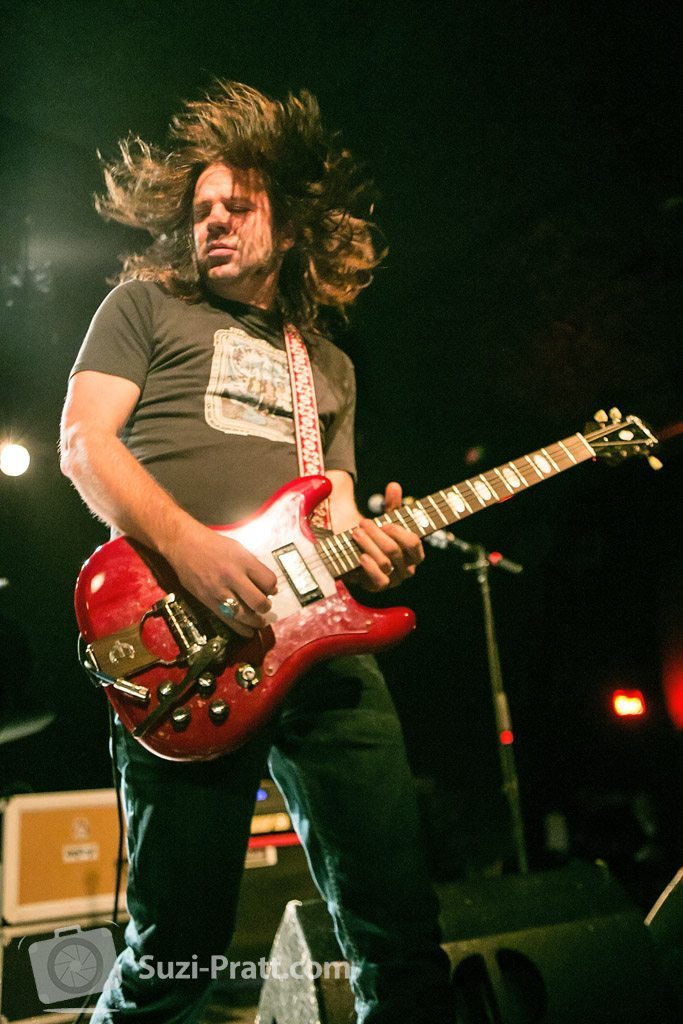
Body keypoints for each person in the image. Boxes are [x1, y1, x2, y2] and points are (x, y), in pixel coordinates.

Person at [60, 81, 453, 1023]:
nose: (213, 222)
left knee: (399, 928)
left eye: (236, 205)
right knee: (174, 954)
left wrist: (380, 556)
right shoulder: (143, 308)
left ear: (293, 222)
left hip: (319, 655)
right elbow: (83, 443)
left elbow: (339, 513)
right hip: (183, 640)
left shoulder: (329, 365)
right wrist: (192, 549)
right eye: (201, 210)